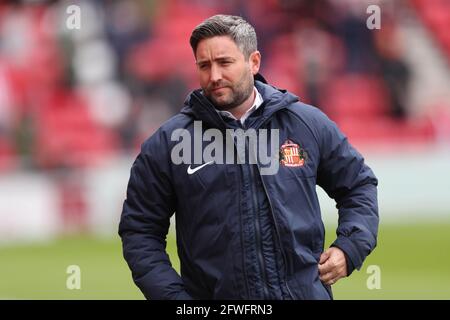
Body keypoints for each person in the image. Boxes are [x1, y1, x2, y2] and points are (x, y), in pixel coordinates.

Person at [119, 14, 379, 300]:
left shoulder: (307, 124)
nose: (214, 75)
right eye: (204, 66)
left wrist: (349, 247)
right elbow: (139, 232)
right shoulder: (167, 144)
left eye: (224, 63)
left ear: (254, 62)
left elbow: (358, 185)